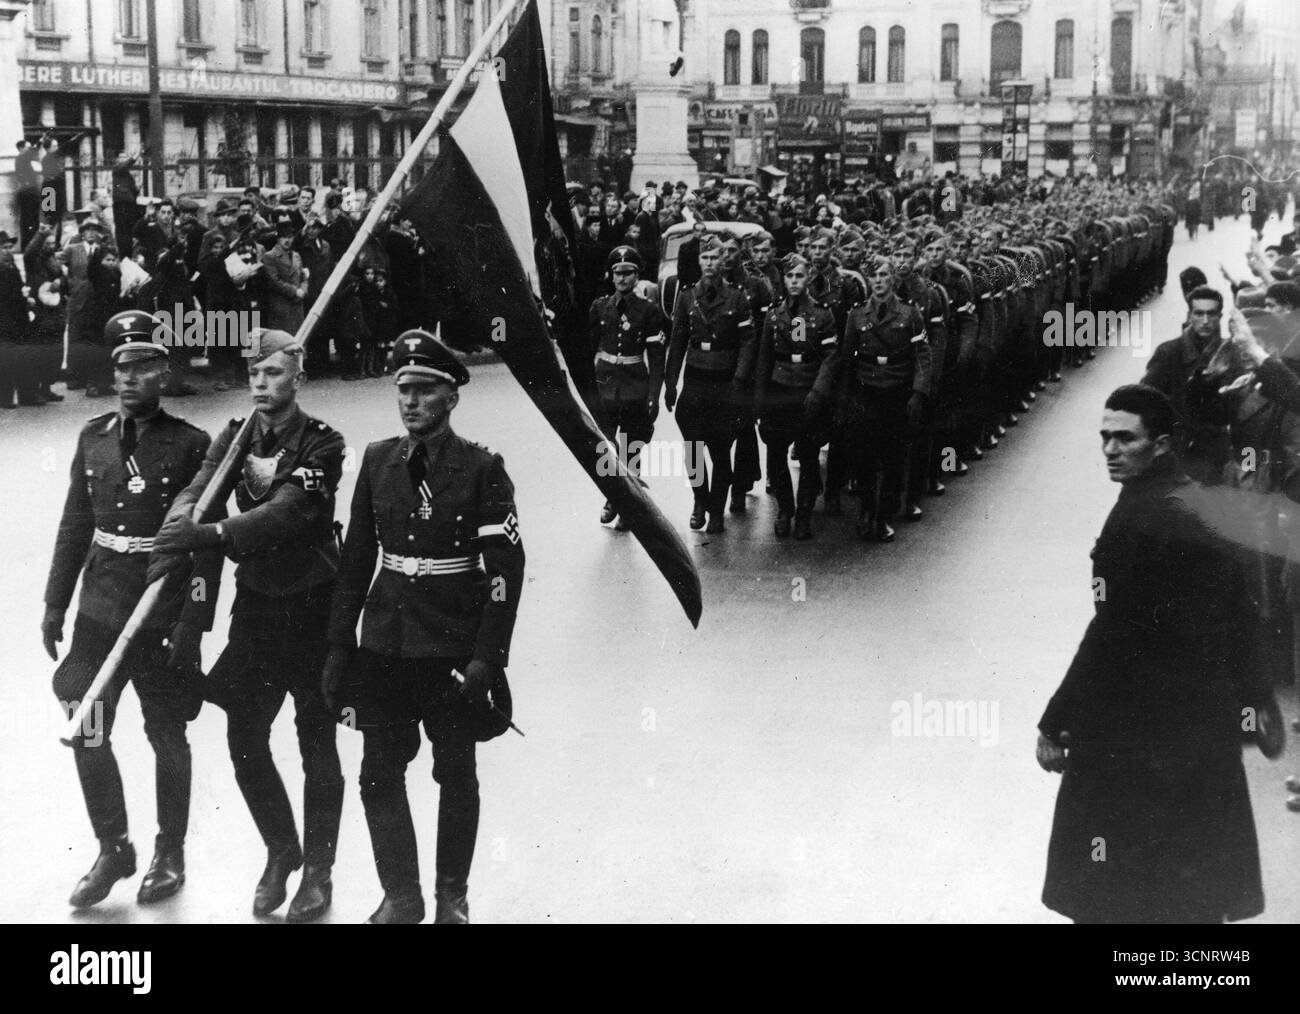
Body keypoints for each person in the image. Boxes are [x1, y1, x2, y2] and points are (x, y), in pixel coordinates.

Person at [1037, 384, 1280, 924]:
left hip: (1137, 731)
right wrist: (1257, 698)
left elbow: (1112, 634)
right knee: (1189, 886)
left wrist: (1056, 721)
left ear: (1163, 444)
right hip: (1202, 728)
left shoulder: (1138, 521)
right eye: (1104, 438)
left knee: (1115, 888)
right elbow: (1244, 611)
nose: (1110, 450)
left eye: (1126, 438)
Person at [322, 330, 525, 924]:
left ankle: (451, 895)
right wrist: (339, 643)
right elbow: (358, 557)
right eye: (402, 390)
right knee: (378, 769)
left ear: (451, 397)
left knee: (455, 770)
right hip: (385, 641)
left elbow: (504, 571)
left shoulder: (483, 467)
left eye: (424, 390)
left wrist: (489, 655)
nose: (410, 401)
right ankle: (402, 895)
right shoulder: (377, 459)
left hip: (452, 643)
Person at [152, 328, 346, 922]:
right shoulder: (234, 439)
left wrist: (210, 534)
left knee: (317, 744)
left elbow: (286, 512)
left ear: (298, 379)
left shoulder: (323, 443)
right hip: (258, 608)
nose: (262, 384)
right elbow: (199, 490)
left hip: (312, 607)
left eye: (275, 374)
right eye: (254, 374)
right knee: (244, 738)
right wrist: (186, 515)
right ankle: (281, 850)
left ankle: (318, 870)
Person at [43, 311, 219, 908]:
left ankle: (171, 852)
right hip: (100, 603)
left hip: (160, 607)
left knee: (166, 730)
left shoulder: (192, 444)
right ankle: (114, 846)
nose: (128, 377)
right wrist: (53, 604)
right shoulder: (91, 436)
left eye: (142, 366)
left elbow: (206, 552)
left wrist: (193, 624)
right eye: (121, 366)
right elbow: (75, 523)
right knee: (85, 720)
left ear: (163, 373)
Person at [825, 254, 931, 542]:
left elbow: (922, 354)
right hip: (866, 391)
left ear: (893, 278)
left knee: (893, 456)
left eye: (884, 275)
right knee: (864, 456)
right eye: (874, 277)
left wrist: (918, 393)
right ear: (868, 280)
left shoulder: (910, 313)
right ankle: (867, 509)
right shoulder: (856, 314)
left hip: (897, 392)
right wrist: (844, 398)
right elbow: (847, 359)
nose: (879, 281)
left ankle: (883, 515)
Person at [664, 235, 756, 533]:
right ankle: (699, 500)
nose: (709, 263)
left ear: (723, 261)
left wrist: (740, 380)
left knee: (719, 450)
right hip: (695, 377)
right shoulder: (687, 296)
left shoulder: (737, 297)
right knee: (692, 448)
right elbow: (677, 341)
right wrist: (670, 382)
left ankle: (716, 509)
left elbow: (747, 342)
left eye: (715, 258)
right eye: (704, 258)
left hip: (724, 379)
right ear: (698, 262)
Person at [755, 253, 838, 539]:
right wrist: (760, 398)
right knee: (776, 453)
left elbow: (830, 357)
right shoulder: (774, 314)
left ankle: (803, 513)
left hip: (808, 390)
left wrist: (818, 391)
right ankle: (785, 509)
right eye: (789, 276)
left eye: (799, 276)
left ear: (809, 278)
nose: (793, 281)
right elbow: (764, 359)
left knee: (808, 453)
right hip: (780, 389)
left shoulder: (822, 314)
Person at [588, 246, 668, 527]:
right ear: (611, 276)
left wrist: (654, 396)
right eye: (617, 273)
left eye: (628, 273)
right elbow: (588, 352)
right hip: (606, 385)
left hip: (635, 386)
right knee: (606, 448)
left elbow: (657, 359)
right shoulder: (599, 307)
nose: (622, 279)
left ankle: (629, 508)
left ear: (637, 276)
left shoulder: (648, 311)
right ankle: (612, 498)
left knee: (631, 449)